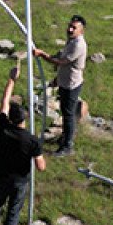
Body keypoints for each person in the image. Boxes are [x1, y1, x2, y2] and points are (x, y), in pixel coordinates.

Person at [0, 61, 45, 225]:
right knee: (13, 211)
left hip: (1, 174)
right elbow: (40, 166)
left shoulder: (3, 128)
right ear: (25, 118)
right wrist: (39, 156)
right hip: (19, 180)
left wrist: (11, 80)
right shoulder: (32, 140)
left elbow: (3, 103)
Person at [32, 14, 87, 156]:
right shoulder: (72, 41)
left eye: (74, 28)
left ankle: (67, 146)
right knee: (66, 113)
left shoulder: (78, 45)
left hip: (71, 85)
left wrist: (42, 54)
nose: (69, 29)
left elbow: (61, 62)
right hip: (65, 82)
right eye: (69, 26)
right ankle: (65, 138)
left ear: (81, 30)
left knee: (68, 115)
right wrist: (58, 79)